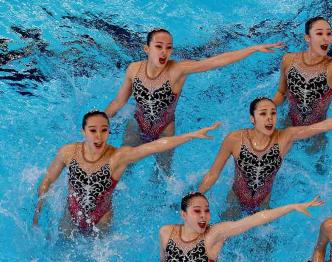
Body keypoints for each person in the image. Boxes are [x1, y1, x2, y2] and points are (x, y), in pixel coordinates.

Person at [105, 28, 282, 173]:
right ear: (147, 49)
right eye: (159, 46)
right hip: (137, 124)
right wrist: (101, 121)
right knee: (123, 167)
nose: (164, 52)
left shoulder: (178, 70)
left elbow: (215, 62)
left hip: (164, 130)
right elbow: (118, 102)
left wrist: (253, 49)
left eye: (168, 48)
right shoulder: (134, 70)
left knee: (163, 174)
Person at [32, 110, 220, 235]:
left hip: (101, 219)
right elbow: (48, 180)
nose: (98, 136)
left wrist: (190, 135)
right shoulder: (68, 152)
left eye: (104, 131)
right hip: (71, 214)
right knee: (56, 257)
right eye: (93, 130)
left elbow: (155, 146)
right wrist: (38, 212)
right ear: (83, 131)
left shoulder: (117, 157)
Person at [198, 97, 332, 215]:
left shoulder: (285, 137)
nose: (269, 118)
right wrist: (198, 196)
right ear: (252, 118)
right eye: (263, 114)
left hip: (264, 206)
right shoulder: (235, 139)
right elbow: (213, 174)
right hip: (235, 199)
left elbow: (321, 126)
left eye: (273, 113)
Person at [154, 193, 323, 262]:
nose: (203, 216)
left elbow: (253, 220)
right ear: (184, 214)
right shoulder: (166, 233)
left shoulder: (214, 235)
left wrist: (292, 207)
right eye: (197, 211)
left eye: (207, 210)